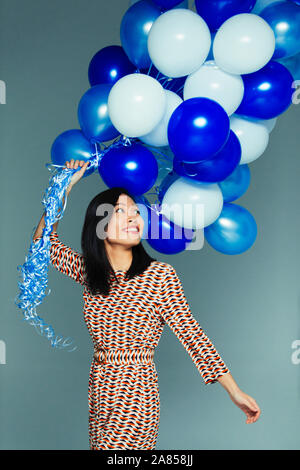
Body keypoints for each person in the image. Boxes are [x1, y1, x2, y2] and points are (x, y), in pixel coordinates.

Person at [33, 159, 261, 450]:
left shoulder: (159, 276)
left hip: (136, 391)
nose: (133, 217)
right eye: (120, 211)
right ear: (98, 226)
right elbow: (41, 241)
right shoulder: (91, 273)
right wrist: (63, 188)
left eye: (135, 212)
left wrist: (235, 391)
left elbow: (192, 335)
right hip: (100, 388)